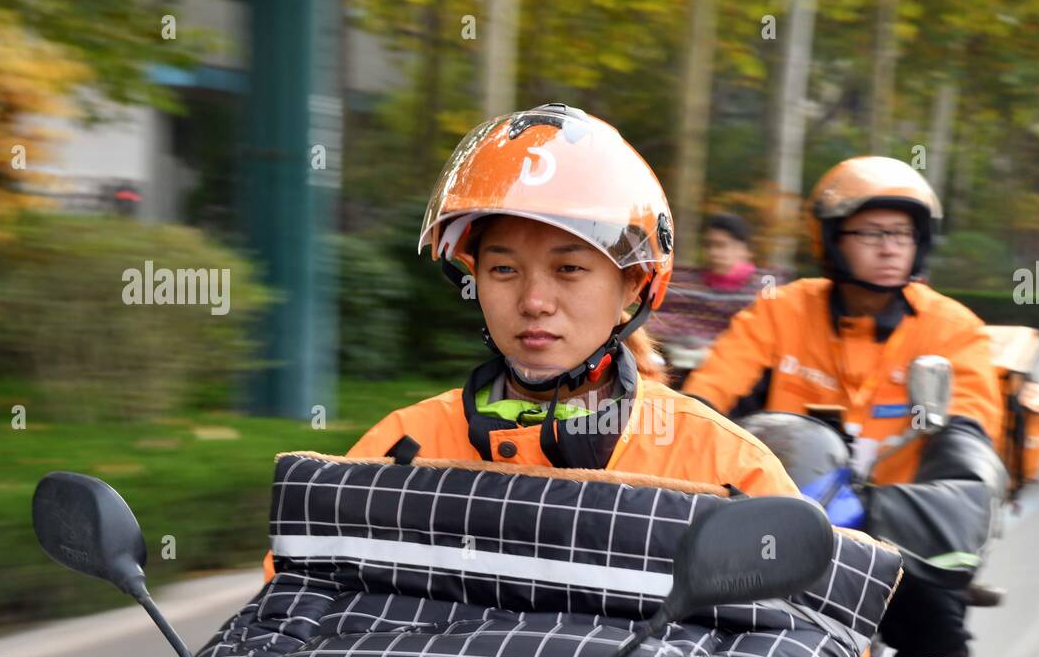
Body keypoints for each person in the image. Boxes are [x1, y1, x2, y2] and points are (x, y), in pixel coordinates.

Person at [261, 104, 798, 583]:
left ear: (633, 286)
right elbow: (290, 606)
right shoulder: (403, 445)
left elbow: (806, 652)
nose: (534, 300)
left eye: (569, 268)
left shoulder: (725, 465)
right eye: (503, 269)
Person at [683, 156, 1007, 657]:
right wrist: (684, 438)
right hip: (780, 534)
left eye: (903, 233)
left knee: (936, 647)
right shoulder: (779, 312)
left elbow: (972, 428)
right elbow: (711, 397)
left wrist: (953, 491)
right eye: (871, 231)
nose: (891, 246)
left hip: (900, 542)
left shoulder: (952, 330)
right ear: (832, 239)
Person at [644, 213, 775, 390]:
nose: (714, 252)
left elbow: (769, 336)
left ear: (745, 250)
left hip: (739, 379)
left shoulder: (765, 288)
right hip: (681, 371)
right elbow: (658, 322)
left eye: (722, 245)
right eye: (710, 245)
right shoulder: (686, 284)